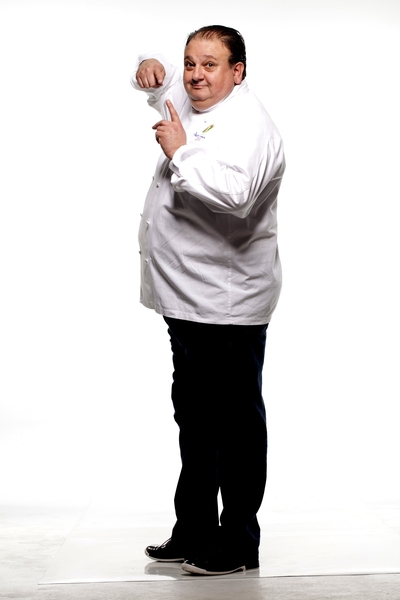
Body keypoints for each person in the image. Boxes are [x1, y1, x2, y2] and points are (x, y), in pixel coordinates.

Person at [130, 25, 285, 576]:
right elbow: (163, 83)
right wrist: (150, 66)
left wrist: (179, 152)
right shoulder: (199, 100)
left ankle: (238, 543)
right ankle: (194, 529)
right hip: (187, 299)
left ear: (237, 71)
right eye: (190, 62)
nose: (195, 75)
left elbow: (236, 196)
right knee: (196, 421)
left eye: (210, 65)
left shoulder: (251, 126)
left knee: (234, 428)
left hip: (226, 305)